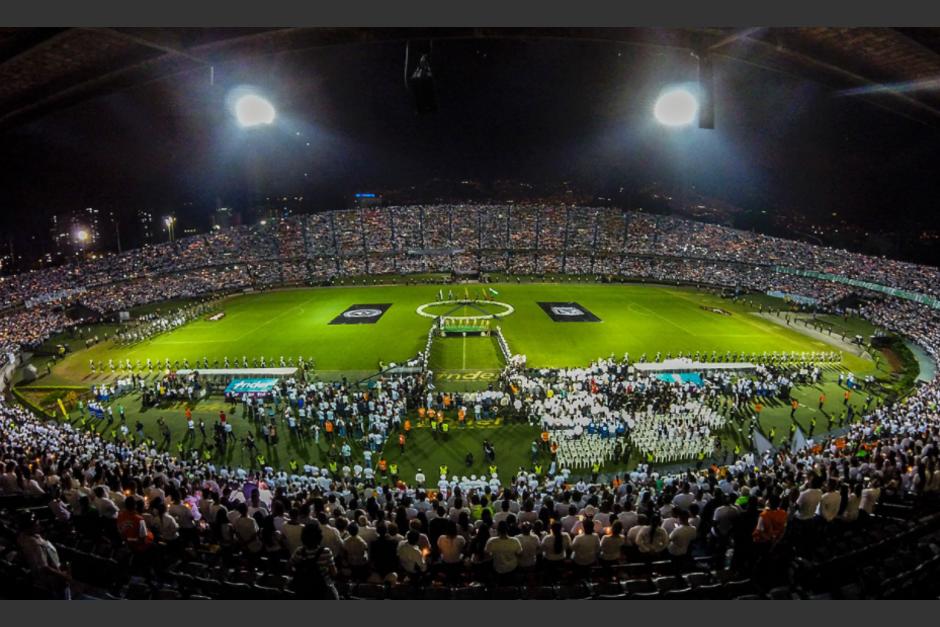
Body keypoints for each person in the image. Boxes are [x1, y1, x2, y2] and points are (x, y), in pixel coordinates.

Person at [17, 512, 71, 599]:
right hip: (53, 580)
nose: (38, 525)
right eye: (36, 524)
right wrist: (63, 576)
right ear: (28, 527)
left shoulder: (23, 536)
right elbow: (44, 567)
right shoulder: (34, 544)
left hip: (45, 578)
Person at [290, 521, 339, 600]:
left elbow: (289, 566)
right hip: (323, 588)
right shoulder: (326, 551)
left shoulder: (299, 551)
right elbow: (333, 573)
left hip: (304, 588)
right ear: (319, 536)